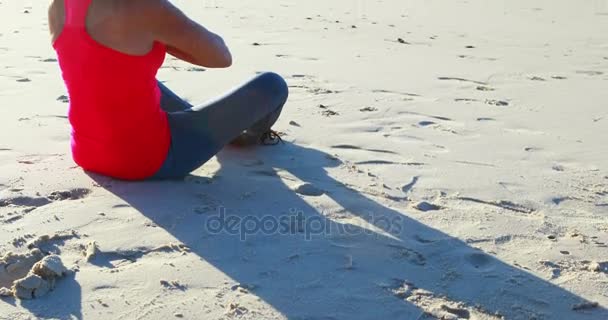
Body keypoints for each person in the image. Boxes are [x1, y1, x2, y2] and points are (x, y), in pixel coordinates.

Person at [48, 0, 289, 180]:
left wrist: (154, 34)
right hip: (146, 159)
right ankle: (242, 137)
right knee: (272, 84)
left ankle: (200, 122)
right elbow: (221, 56)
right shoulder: (145, 8)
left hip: (86, 152)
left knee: (115, 78)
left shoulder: (59, 7)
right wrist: (162, 32)